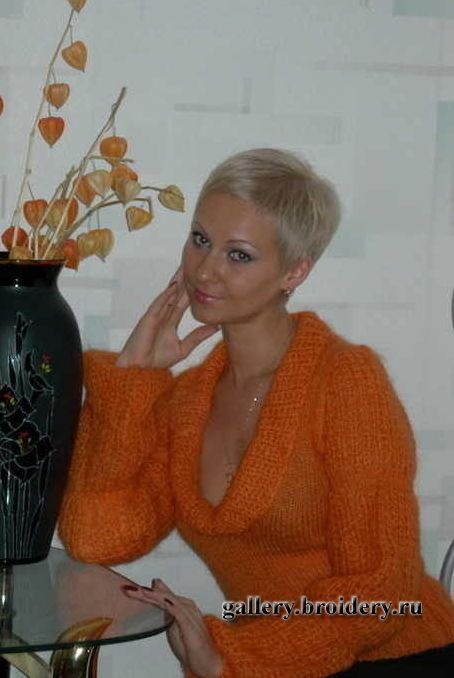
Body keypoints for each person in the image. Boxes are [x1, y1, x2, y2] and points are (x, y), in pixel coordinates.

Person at [57, 148, 454, 677]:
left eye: (239, 255)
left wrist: (242, 659)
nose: (205, 270)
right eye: (200, 240)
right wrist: (131, 380)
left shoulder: (345, 381)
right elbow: (96, 537)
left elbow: (382, 589)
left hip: (405, 658)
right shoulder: (187, 402)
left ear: (295, 270)